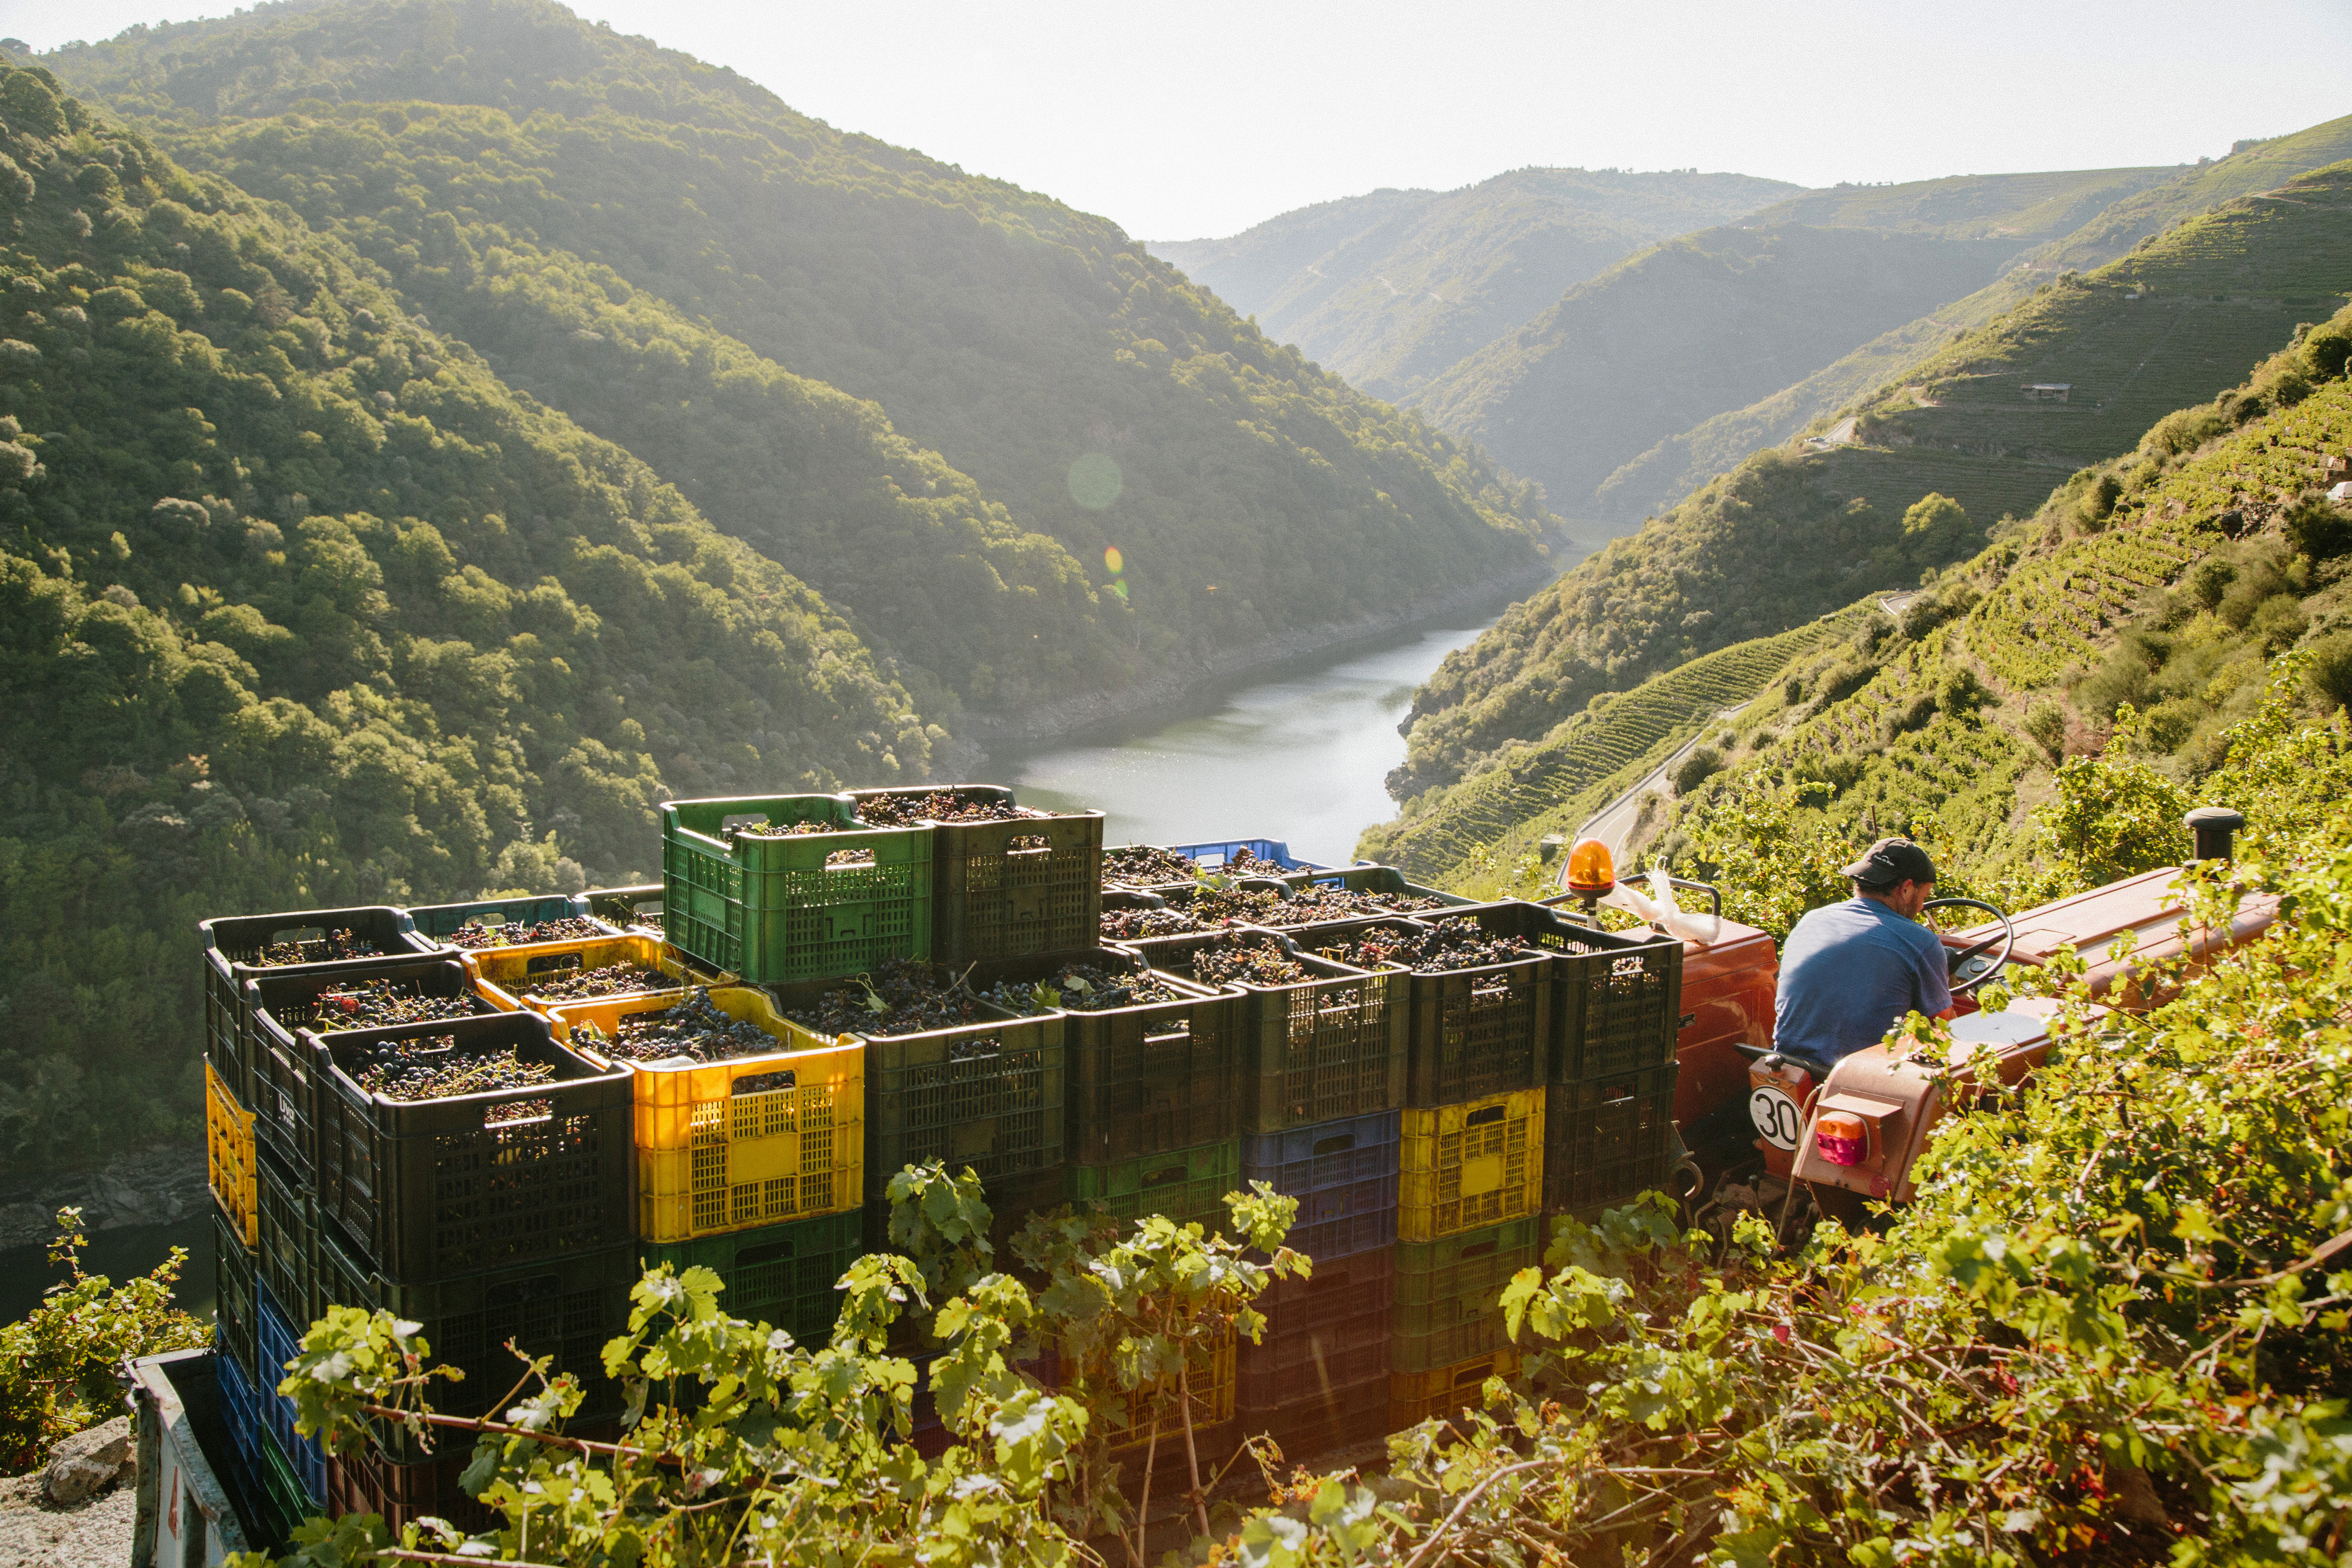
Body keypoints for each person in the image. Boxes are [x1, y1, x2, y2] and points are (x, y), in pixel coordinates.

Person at [1772, 837, 1955, 1067]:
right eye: (1924, 897)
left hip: (1788, 1065)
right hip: (1859, 1079)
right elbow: (1940, 1028)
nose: (1921, 907)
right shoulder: (1921, 942)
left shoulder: (1812, 920)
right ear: (1907, 889)